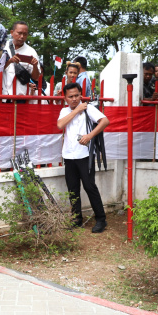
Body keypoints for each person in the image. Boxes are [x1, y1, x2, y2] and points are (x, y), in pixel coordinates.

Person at [57, 82, 109, 233]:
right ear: (65, 98)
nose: (74, 99)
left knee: (89, 186)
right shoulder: (64, 111)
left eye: (77, 95)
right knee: (72, 188)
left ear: (81, 95)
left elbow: (105, 121)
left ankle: (101, 219)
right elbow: (60, 125)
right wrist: (76, 110)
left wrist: (90, 136)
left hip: (85, 155)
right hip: (69, 155)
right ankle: (76, 219)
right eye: (70, 96)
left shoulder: (89, 108)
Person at [2, 21, 41, 98]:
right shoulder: (2, 47)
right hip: (1, 94)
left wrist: (35, 66)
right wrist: (9, 61)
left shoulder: (31, 52)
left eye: (25, 34)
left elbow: (36, 78)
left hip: (20, 96)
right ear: (12, 32)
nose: (22, 36)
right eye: (19, 33)